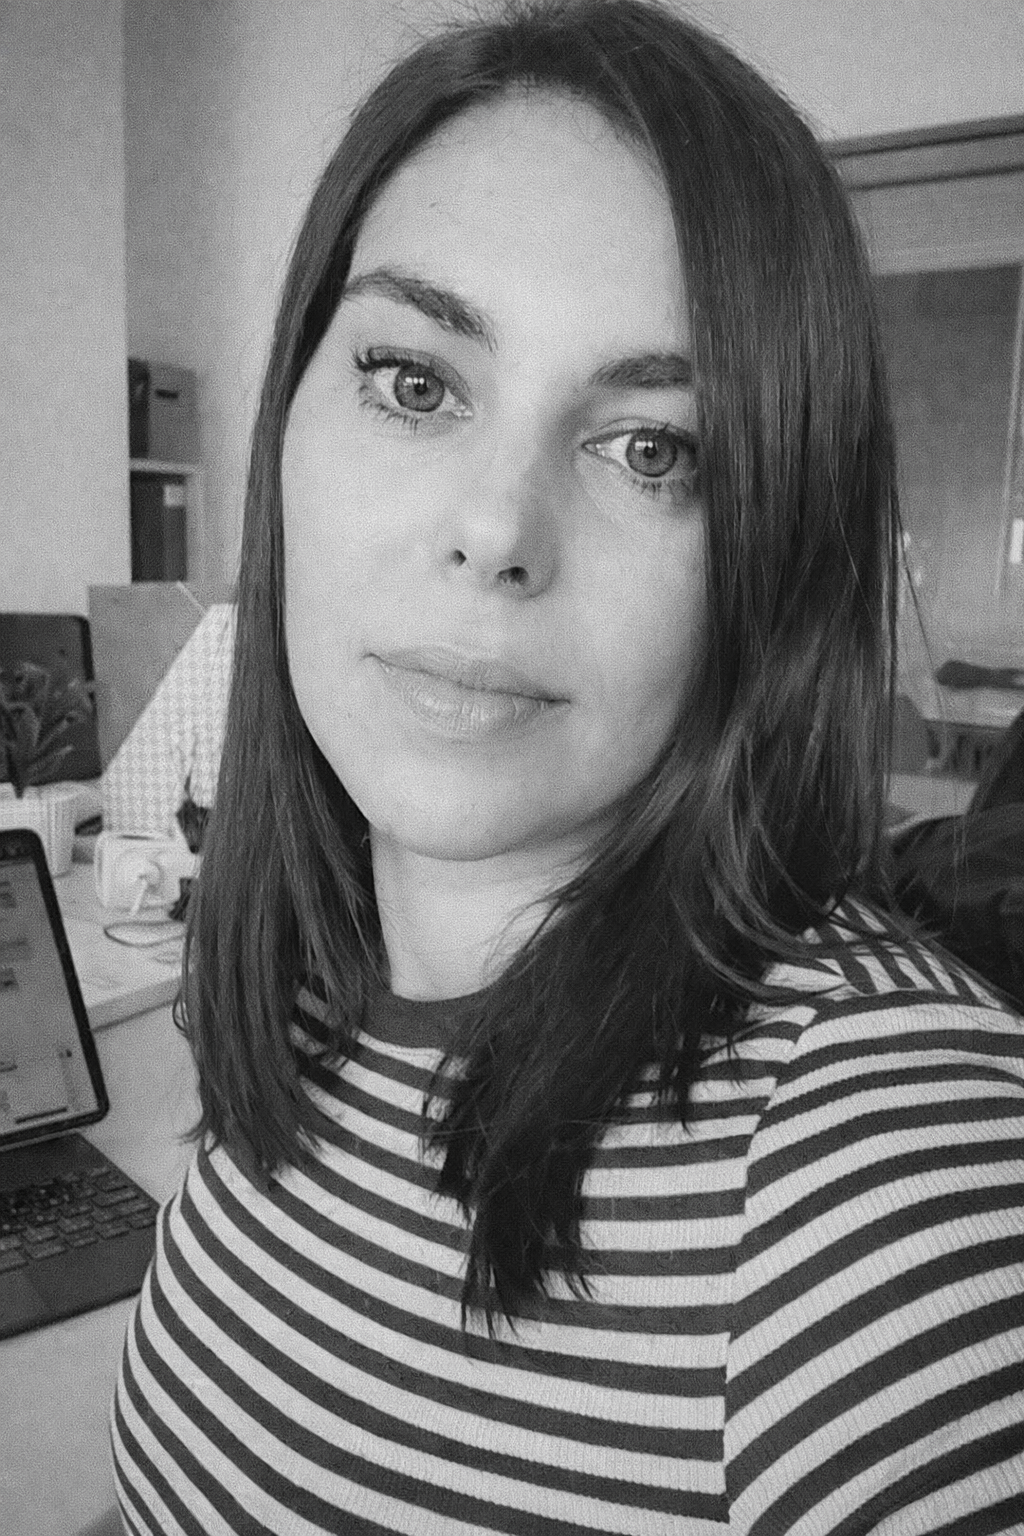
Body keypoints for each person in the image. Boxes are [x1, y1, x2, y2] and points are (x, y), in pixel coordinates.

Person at [110, 3, 1024, 1531]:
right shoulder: (300, 1011)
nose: (496, 530)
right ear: (285, 435)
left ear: (768, 561)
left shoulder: (902, 1195)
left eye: (653, 448)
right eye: (415, 382)